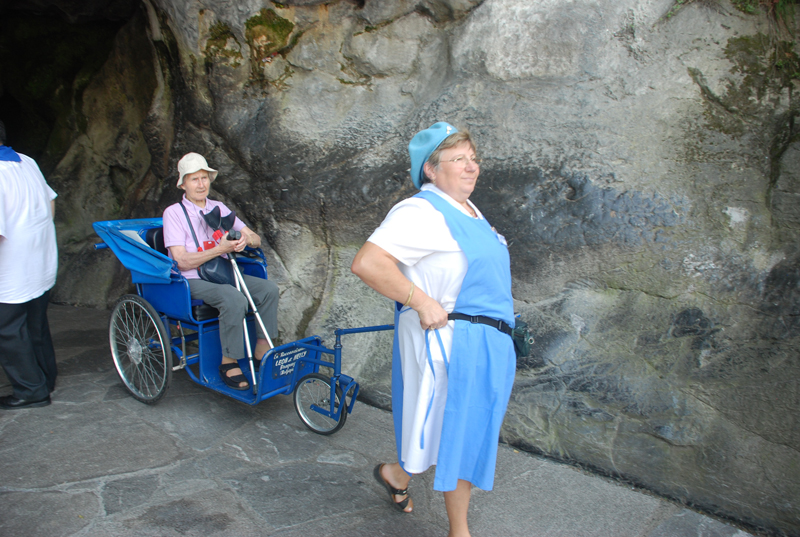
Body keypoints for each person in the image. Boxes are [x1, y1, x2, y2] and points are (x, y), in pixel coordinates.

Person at [351, 122, 516, 536]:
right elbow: (368, 263)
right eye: (458, 159)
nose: (471, 166)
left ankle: (395, 474)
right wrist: (422, 301)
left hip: (485, 342)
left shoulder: (472, 213)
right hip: (453, 341)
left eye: (473, 158)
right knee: (456, 433)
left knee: (445, 430)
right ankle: (460, 531)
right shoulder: (421, 211)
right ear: (430, 169)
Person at [162, 152, 279, 391]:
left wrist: (245, 240)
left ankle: (262, 351)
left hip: (223, 273)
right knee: (233, 297)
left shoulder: (219, 208)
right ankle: (229, 362)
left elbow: (255, 238)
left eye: (204, 178)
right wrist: (220, 249)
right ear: (183, 184)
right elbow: (181, 261)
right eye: (194, 179)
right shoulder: (173, 213)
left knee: (268, 289)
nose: (201, 184)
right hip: (190, 279)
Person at [0, 120, 59, 410]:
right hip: (41, 260)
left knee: (9, 330)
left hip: (11, 269)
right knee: (35, 324)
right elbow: (51, 203)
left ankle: (31, 391)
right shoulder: (27, 161)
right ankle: (45, 378)